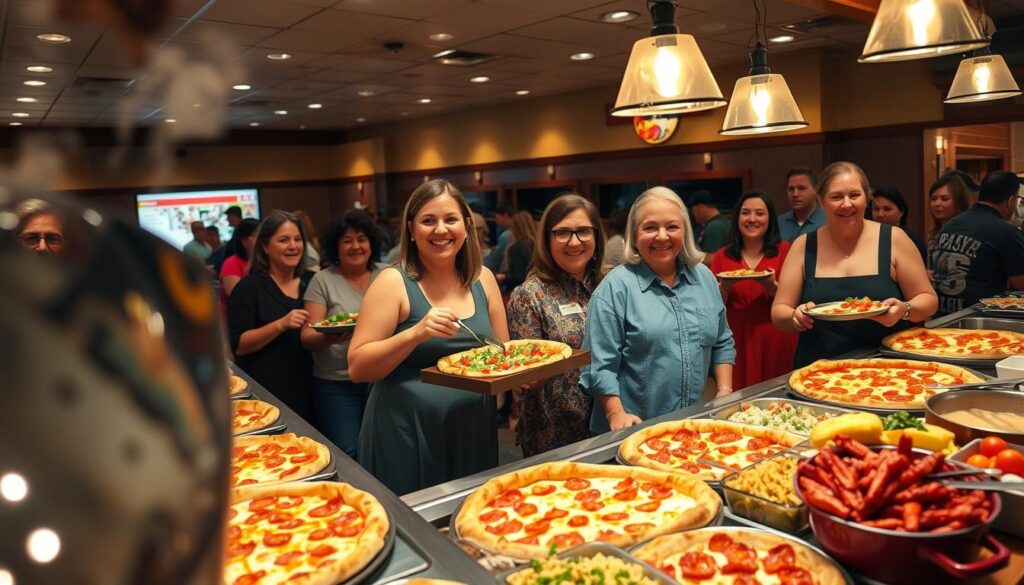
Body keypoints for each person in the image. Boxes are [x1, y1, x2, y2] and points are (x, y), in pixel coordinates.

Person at [349, 179, 506, 495]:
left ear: (466, 225)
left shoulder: (484, 279)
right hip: (406, 431)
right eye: (428, 221)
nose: (440, 230)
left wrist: (525, 380)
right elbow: (358, 367)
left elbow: (505, 355)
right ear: (411, 228)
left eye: (450, 219)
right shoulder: (392, 282)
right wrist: (415, 334)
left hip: (472, 428)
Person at [582, 186, 735, 433]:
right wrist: (616, 414)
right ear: (634, 233)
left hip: (691, 425)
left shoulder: (705, 278)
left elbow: (722, 341)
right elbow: (598, 365)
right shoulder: (615, 288)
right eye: (650, 227)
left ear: (685, 232)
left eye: (672, 227)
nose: (662, 236)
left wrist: (724, 391)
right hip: (632, 430)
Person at [772, 162, 937, 367]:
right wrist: (794, 316)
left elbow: (929, 299)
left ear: (867, 198)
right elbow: (779, 310)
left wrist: (905, 309)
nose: (847, 204)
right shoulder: (804, 246)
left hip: (889, 371)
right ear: (821, 201)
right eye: (836, 197)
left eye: (854, 195)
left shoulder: (894, 238)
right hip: (818, 370)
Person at [506, 194, 604, 456]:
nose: (574, 242)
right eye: (562, 233)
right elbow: (529, 376)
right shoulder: (529, 296)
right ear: (546, 239)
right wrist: (527, 376)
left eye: (583, 231)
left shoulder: (610, 286)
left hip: (612, 422)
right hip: (557, 436)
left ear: (596, 236)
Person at [300, 210, 381, 457]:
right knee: (350, 451)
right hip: (336, 383)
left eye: (361, 239)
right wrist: (328, 337)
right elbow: (307, 338)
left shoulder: (388, 274)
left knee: (383, 448)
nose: (355, 246)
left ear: (371, 243)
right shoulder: (322, 280)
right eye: (347, 240)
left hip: (382, 378)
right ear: (336, 247)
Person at [228, 211, 316, 422]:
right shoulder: (249, 287)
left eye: (297, 239)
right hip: (268, 386)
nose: (293, 246)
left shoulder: (312, 281)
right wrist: (281, 324)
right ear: (265, 247)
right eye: (284, 240)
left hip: (310, 384)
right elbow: (239, 345)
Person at [711, 191, 797, 389]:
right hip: (736, 340)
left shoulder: (785, 250)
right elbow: (714, 307)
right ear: (737, 218)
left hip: (776, 338)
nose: (752, 219)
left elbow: (793, 301)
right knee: (738, 400)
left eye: (759, 213)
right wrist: (724, 287)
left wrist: (770, 285)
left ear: (770, 219)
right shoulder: (722, 255)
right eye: (745, 213)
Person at [930, 171, 1024, 315]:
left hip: (941, 315)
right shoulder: (1007, 232)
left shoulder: (951, 224)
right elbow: (1021, 284)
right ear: (1011, 200)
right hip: (979, 318)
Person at [870, 187, 927, 261]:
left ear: (901, 212)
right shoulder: (868, 237)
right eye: (876, 209)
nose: (880, 214)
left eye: (887, 209)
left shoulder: (910, 240)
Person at [219, 218, 259, 317]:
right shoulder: (232, 263)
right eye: (259, 236)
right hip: (235, 322)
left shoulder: (263, 261)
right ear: (245, 240)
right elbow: (237, 299)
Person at [926, 173, 971, 255]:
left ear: (959, 202)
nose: (937, 204)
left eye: (945, 199)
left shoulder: (968, 235)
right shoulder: (933, 235)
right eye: (933, 199)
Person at [779, 167, 827, 242]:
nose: (795, 194)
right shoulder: (779, 223)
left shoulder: (827, 222)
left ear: (816, 190)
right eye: (791, 189)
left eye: (801, 188)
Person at [500, 210, 536, 293]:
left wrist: (503, 278)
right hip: (537, 290)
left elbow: (518, 278)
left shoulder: (516, 248)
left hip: (521, 293)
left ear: (515, 227)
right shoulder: (538, 245)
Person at [690, 189, 730, 254]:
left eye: (693, 209)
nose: (693, 213)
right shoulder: (723, 222)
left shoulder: (715, 226)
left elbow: (711, 259)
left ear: (701, 207)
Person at [484, 201, 515, 278]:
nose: (496, 220)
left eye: (497, 217)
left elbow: (494, 260)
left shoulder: (506, 235)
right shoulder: (513, 232)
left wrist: (482, 269)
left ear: (505, 215)